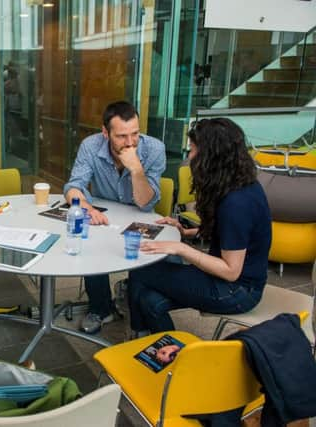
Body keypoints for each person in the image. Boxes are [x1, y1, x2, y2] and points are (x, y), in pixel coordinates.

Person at [127, 118, 271, 334]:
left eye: (193, 151)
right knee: (150, 300)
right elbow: (234, 235)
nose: (189, 157)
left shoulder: (237, 203)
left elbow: (231, 271)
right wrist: (189, 232)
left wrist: (181, 248)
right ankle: (163, 350)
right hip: (234, 283)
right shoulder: (238, 183)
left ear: (210, 156)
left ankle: (139, 337)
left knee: (140, 272)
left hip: (237, 290)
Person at [63, 101, 166, 334]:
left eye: (135, 134)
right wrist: (87, 208)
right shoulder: (91, 146)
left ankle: (139, 317)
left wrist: (136, 169)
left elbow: (146, 202)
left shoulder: (154, 149)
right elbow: (73, 186)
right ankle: (101, 308)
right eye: (121, 136)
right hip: (105, 215)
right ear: (105, 132)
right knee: (88, 243)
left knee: (146, 259)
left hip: (139, 215)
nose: (130, 143)